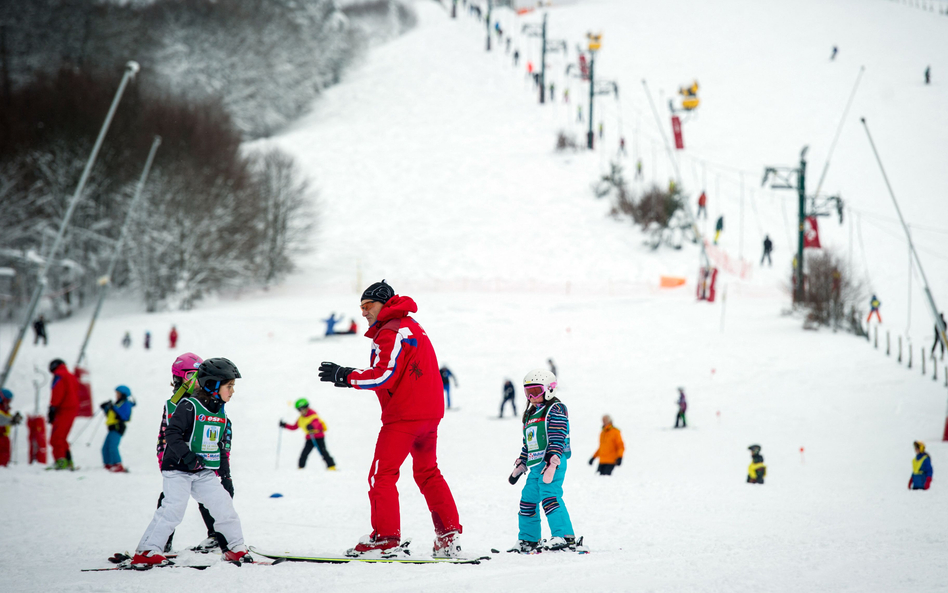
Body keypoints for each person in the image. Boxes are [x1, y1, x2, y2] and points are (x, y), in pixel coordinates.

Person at [318, 280, 462, 558]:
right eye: (360, 307)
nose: (363, 312)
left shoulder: (392, 330)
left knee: (381, 475)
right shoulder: (411, 326)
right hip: (428, 416)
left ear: (383, 303)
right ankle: (448, 537)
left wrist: (345, 375)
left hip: (404, 416)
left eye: (368, 305)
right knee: (428, 473)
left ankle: (385, 539)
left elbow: (384, 374)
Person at [132, 357, 252, 566]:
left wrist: (225, 476)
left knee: (224, 507)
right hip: (178, 469)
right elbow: (172, 434)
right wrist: (188, 458)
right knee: (173, 509)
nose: (233, 391)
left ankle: (235, 548)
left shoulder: (220, 412)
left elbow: (221, 446)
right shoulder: (189, 406)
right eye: (229, 386)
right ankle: (147, 551)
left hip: (203, 471)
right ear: (213, 385)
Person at [157, 352, 230, 554]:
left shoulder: (208, 400)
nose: (195, 381)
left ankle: (216, 536)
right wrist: (165, 461)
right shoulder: (173, 404)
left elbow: (223, 430)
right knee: (169, 501)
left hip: (205, 462)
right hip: (178, 463)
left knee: (209, 499)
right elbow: (165, 434)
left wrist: (223, 464)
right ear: (178, 378)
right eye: (191, 376)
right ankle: (161, 541)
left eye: (198, 375)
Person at [507, 369, 577, 553]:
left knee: (550, 496)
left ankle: (564, 536)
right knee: (527, 500)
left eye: (536, 391)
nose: (531, 396)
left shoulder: (556, 409)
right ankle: (529, 539)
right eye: (527, 392)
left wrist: (552, 460)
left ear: (549, 390)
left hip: (553, 461)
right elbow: (529, 443)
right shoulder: (530, 414)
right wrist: (522, 462)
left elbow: (557, 435)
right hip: (536, 465)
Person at [280, 398, 336, 470]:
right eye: (299, 410)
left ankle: (331, 467)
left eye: (302, 409)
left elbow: (316, 423)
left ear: (307, 407)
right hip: (309, 438)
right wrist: (284, 425)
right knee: (304, 454)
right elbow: (294, 427)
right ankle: (300, 468)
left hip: (318, 437)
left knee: (323, 452)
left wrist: (312, 426)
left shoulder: (313, 415)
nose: (301, 411)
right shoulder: (301, 418)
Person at [48, 359, 79, 470]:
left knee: (56, 437)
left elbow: (58, 392)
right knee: (62, 437)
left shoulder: (59, 375)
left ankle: (60, 461)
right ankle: (68, 460)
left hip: (63, 409)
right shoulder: (71, 376)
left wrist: (52, 407)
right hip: (72, 409)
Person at [101, 385, 136, 473]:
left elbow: (125, 416)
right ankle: (108, 464)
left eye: (118, 393)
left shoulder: (126, 404)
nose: (116, 395)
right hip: (112, 427)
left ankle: (117, 464)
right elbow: (110, 415)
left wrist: (113, 408)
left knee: (113, 446)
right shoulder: (117, 403)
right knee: (105, 447)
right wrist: (106, 408)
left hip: (118, 427)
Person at [0, 389, 23, 467]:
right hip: (1, 437)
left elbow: (6, 418)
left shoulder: (4, 409)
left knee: (5, 454)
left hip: (4, 437)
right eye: (8, 400)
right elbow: (2, 420)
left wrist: (15, 419)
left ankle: (4, 466)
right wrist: (12, 420)